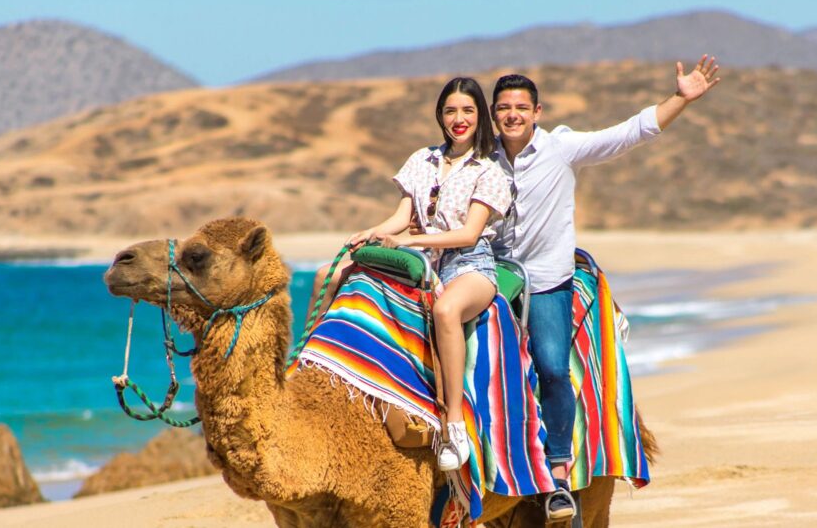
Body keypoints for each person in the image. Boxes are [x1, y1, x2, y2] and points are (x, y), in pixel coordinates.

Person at [490, 55, 722, 520]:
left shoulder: (561, 148)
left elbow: (630, 132)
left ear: (537, 112)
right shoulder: (481, 158)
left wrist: (680, 98)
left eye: (521, 106)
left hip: (546, 283)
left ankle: (557, 473)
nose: (512, 114)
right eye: (503, 108)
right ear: (494, 115)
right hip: (492, 278)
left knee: (554, 368)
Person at [309, 76, 512, 472]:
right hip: (421, 265)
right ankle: (311, 371)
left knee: (446, 312)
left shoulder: (489, 171)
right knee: (325, 275)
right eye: (451, 111)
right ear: (440, 115)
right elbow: (403, 217)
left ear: (480, 117)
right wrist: (375, 232)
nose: (459, 119)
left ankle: (454, 423)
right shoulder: (422, 159)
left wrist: (410, 243)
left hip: (468, 263)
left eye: (468, 111)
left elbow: (470, 233)